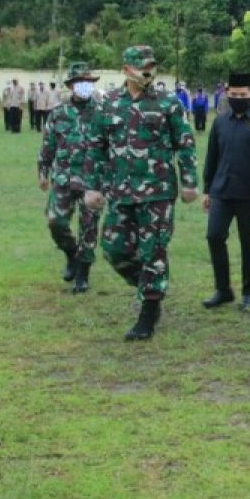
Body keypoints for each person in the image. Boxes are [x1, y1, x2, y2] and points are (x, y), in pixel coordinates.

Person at [83, 46, 199, 341]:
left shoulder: (167, 103)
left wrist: (189, 182)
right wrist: (92, 186)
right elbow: (96, 147)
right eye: (143, 66)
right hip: (120, 192)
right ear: (126, 69)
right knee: (113, 248)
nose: (148, 71)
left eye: (152, 65)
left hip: (157, 192)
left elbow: (184, 144)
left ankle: (149, 309)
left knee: (153, 251)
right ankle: (149, 288)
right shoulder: (107, 104)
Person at [201, 72, 250, 311]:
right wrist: (207, 190)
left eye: (243, 95)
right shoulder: (220, 122)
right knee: (214, 236)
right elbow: (211, 157)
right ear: (227, 94)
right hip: (222, 191)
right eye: (234, 95)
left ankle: (249, 292)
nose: (238, 98)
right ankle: (223, 289)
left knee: (249, 244)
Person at [37, 63, 101, 293]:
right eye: (80, 82)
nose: (85, 86)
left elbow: (113, 146)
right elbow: (47, 146)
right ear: (71, 85)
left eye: (89, 82)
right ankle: (72, 254)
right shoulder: (58, 113)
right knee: (55, 222)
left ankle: (83, 274)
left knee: (89, 226)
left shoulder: (103, 112)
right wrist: (43, 172)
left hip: (92, 180)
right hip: (63, 178)